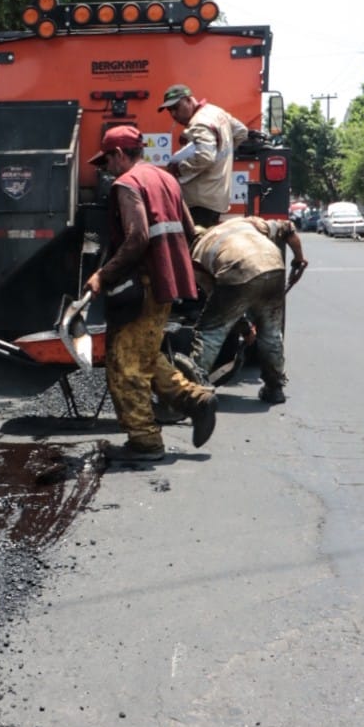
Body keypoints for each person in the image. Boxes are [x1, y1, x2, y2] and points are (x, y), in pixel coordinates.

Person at [85, 125, 217, 463]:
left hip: (141, 286)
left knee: (124, 365)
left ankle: (145, 443)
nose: (107, 169)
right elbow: (188, 230)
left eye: (108, 161)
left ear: (118, 154)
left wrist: (103, 274)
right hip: (165, 285)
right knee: (145, 355)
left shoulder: (127, 184)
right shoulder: (167, 180)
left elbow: (138, 237)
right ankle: (195, 400)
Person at [191, 215, 308, 405]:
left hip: (238, 272)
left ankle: (193, 387)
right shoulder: (246, 223)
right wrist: (299, 259)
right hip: (274, 266)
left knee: (210, 332)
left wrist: (244, 329)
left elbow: (221, 304)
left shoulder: (196, 255)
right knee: (271, 334)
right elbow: (288, 228)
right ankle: (275, 388)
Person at [158, 84, 250, 227]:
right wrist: (221, 154)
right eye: (170, 110)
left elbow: (205, 157)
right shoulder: (215, 111)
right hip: (217, 197)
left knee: (195, 246)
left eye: (176, 107)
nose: (174, 115)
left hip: (200, 202)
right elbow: (241, 132)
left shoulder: (198, 123)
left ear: (188, 100)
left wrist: (177, 169)